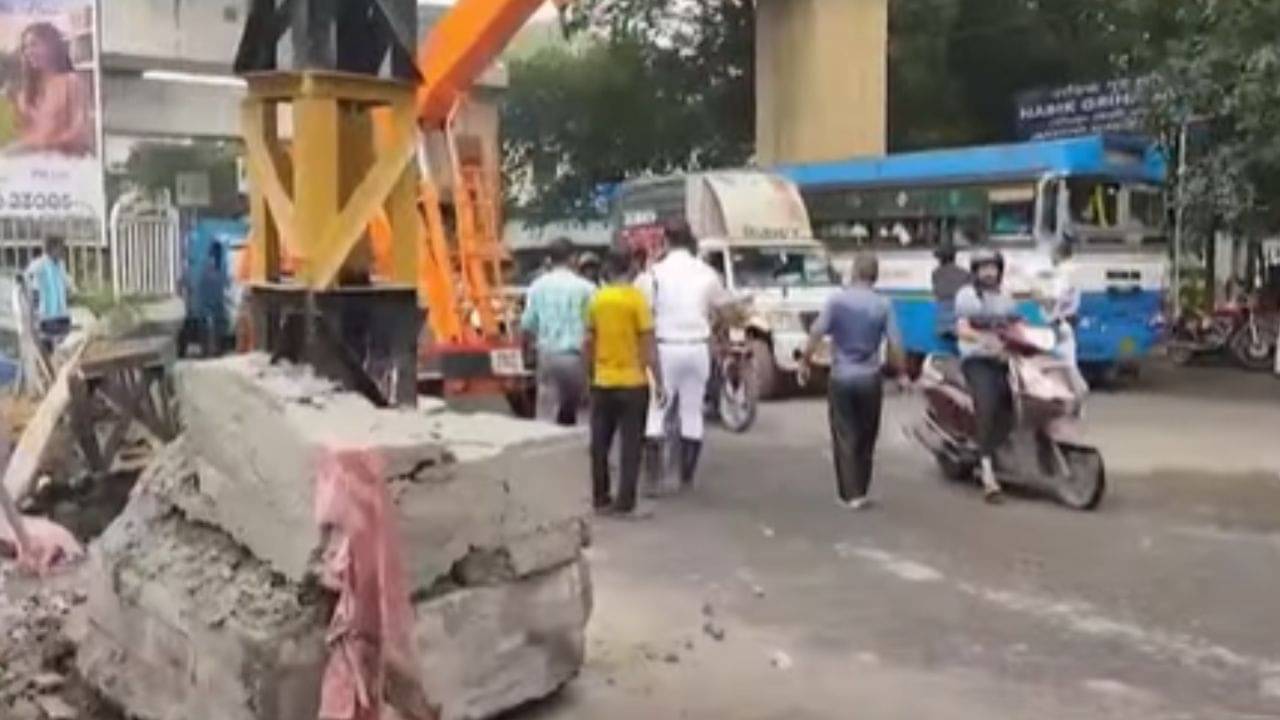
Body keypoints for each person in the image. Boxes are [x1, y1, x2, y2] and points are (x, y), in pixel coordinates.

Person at [801, 252, 907, 510]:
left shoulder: (837, 301)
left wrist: (805, 360)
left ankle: (850, 493)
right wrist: (902, 373)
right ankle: (861, 487)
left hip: (841, 376)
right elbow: (896, 343)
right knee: (866, 435)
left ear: (854, 272)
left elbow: (816, 331)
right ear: (875, 275)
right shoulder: (883, 305)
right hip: (870, 377)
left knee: (844, 434)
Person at [636, 222, 726, 492]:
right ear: (693, 241)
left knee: (656, 409)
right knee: (692, 411)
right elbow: (721, 308)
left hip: (665, 347)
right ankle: (686, 478)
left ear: (665, 241)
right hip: (697, 347)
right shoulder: (708, 273)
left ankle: (654, 477)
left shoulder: (653, 275)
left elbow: (642, 310)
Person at [585, 248, 664, 517]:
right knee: (631, 445)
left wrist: (590, 374)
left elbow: (589, 342)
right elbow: (648, 344)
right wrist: (659, 380)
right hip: (633, 383)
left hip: (603, 381)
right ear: (630, 269)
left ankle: (600, 497)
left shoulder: (597, 300)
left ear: (607, 269)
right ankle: (625, 502)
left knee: (599, 445)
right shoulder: (637, 300)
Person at [954, 248, 1021, 504]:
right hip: (977, 361)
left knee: (1015, 403)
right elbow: (962, 329)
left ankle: (1000, 452)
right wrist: (985, 340)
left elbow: (1016, 324)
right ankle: (988, 473)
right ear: (975, 272)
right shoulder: (967, 296)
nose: (989, 273)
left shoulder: (1006, 296)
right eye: (983, 268)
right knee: (988, 406)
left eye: (992, 267)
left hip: (1004, 360)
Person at [521, 238, 596, 426]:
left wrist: (526, 353)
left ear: (549, 260)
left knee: (547, 414)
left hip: (548, 355)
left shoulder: (537, 287)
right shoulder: (587, 288)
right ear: (573, 259)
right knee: (582, 413)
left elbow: (527, 326)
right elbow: (595, 327)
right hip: (578, 357)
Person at [6, 23, 93, 156]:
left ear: (52, 47)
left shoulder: (71, 82)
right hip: (28, 158)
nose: (29, 52)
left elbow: (79, 133)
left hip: (62, 161)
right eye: (25, 47)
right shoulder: (26, 89)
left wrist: (39, 146)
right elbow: (20, 130)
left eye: (34, 44)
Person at [1046, 241, 1089, 394]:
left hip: (1059, 321)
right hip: (1069, 319)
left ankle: (1078, 389)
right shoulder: (1075, 270)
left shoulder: (1062, 272)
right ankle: (1077, 388)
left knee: (1063, 360)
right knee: (1067, 359)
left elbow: (1056, 296)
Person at [24, 235, 72, 353]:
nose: (63, 251)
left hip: (61, 314)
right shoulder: (39, 264)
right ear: (52, 248)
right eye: (60, 248)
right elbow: (27, 278)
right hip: (47, 315)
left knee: (61, 345)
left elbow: (66, 281)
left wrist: (71, 287)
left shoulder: (60, 265)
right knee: (49, 346)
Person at [931, 244, 970, 350]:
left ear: (941, 259)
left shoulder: (936, 273)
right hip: (960, 319)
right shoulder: (965, 273)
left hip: (943, 321)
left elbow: (937, 292)